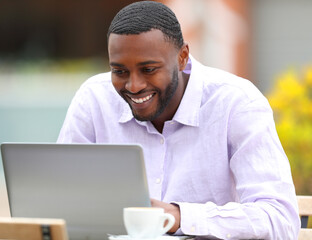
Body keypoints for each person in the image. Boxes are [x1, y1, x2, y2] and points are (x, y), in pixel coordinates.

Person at [58, 1, 300, 239]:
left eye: (149, 69)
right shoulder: (94, 99)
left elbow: (279, 219)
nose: (134, 85)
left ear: (182, 57)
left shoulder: (237, 103)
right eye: (120, 71)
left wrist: (177, 216)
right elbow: (59, 199)